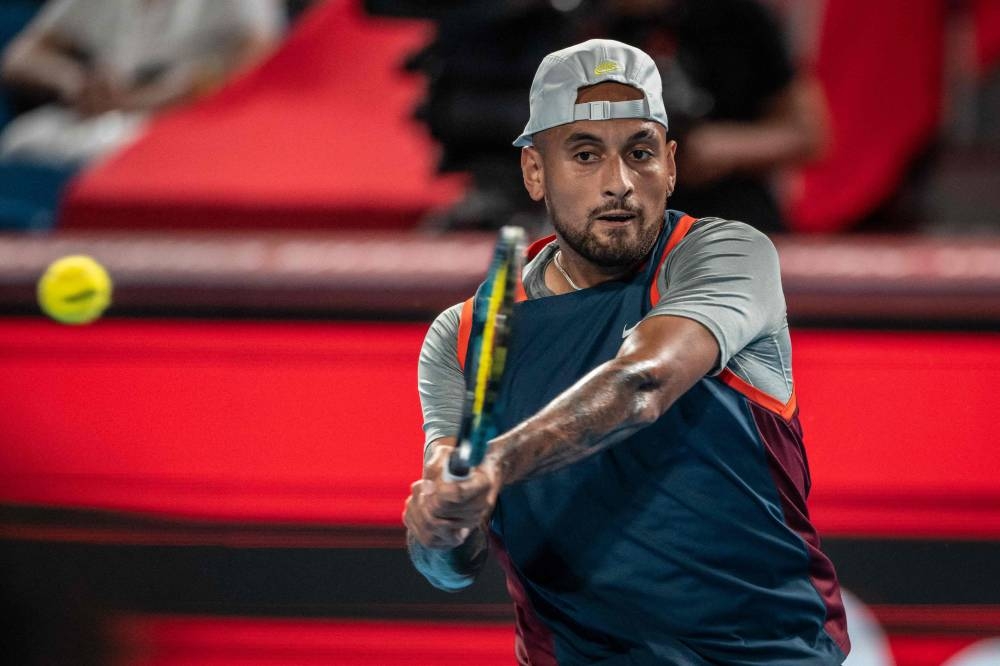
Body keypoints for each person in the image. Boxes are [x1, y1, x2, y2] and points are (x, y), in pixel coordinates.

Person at [404, 39, 850, 665]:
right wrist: (442, 526)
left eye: (639, 153)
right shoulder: (461, 337)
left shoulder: (724, 255)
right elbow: (449, 562)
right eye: (585, 154)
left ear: (670, 165)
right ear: (535, 171)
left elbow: (644, 383)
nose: (619, 183)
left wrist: (496, 465)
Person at [0, 0, 284, 165]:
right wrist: (75, 82)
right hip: (100, 120)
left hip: (194, 126)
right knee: (22, 140)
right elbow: (19, 57)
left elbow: (260, 56)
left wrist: (147, 98)